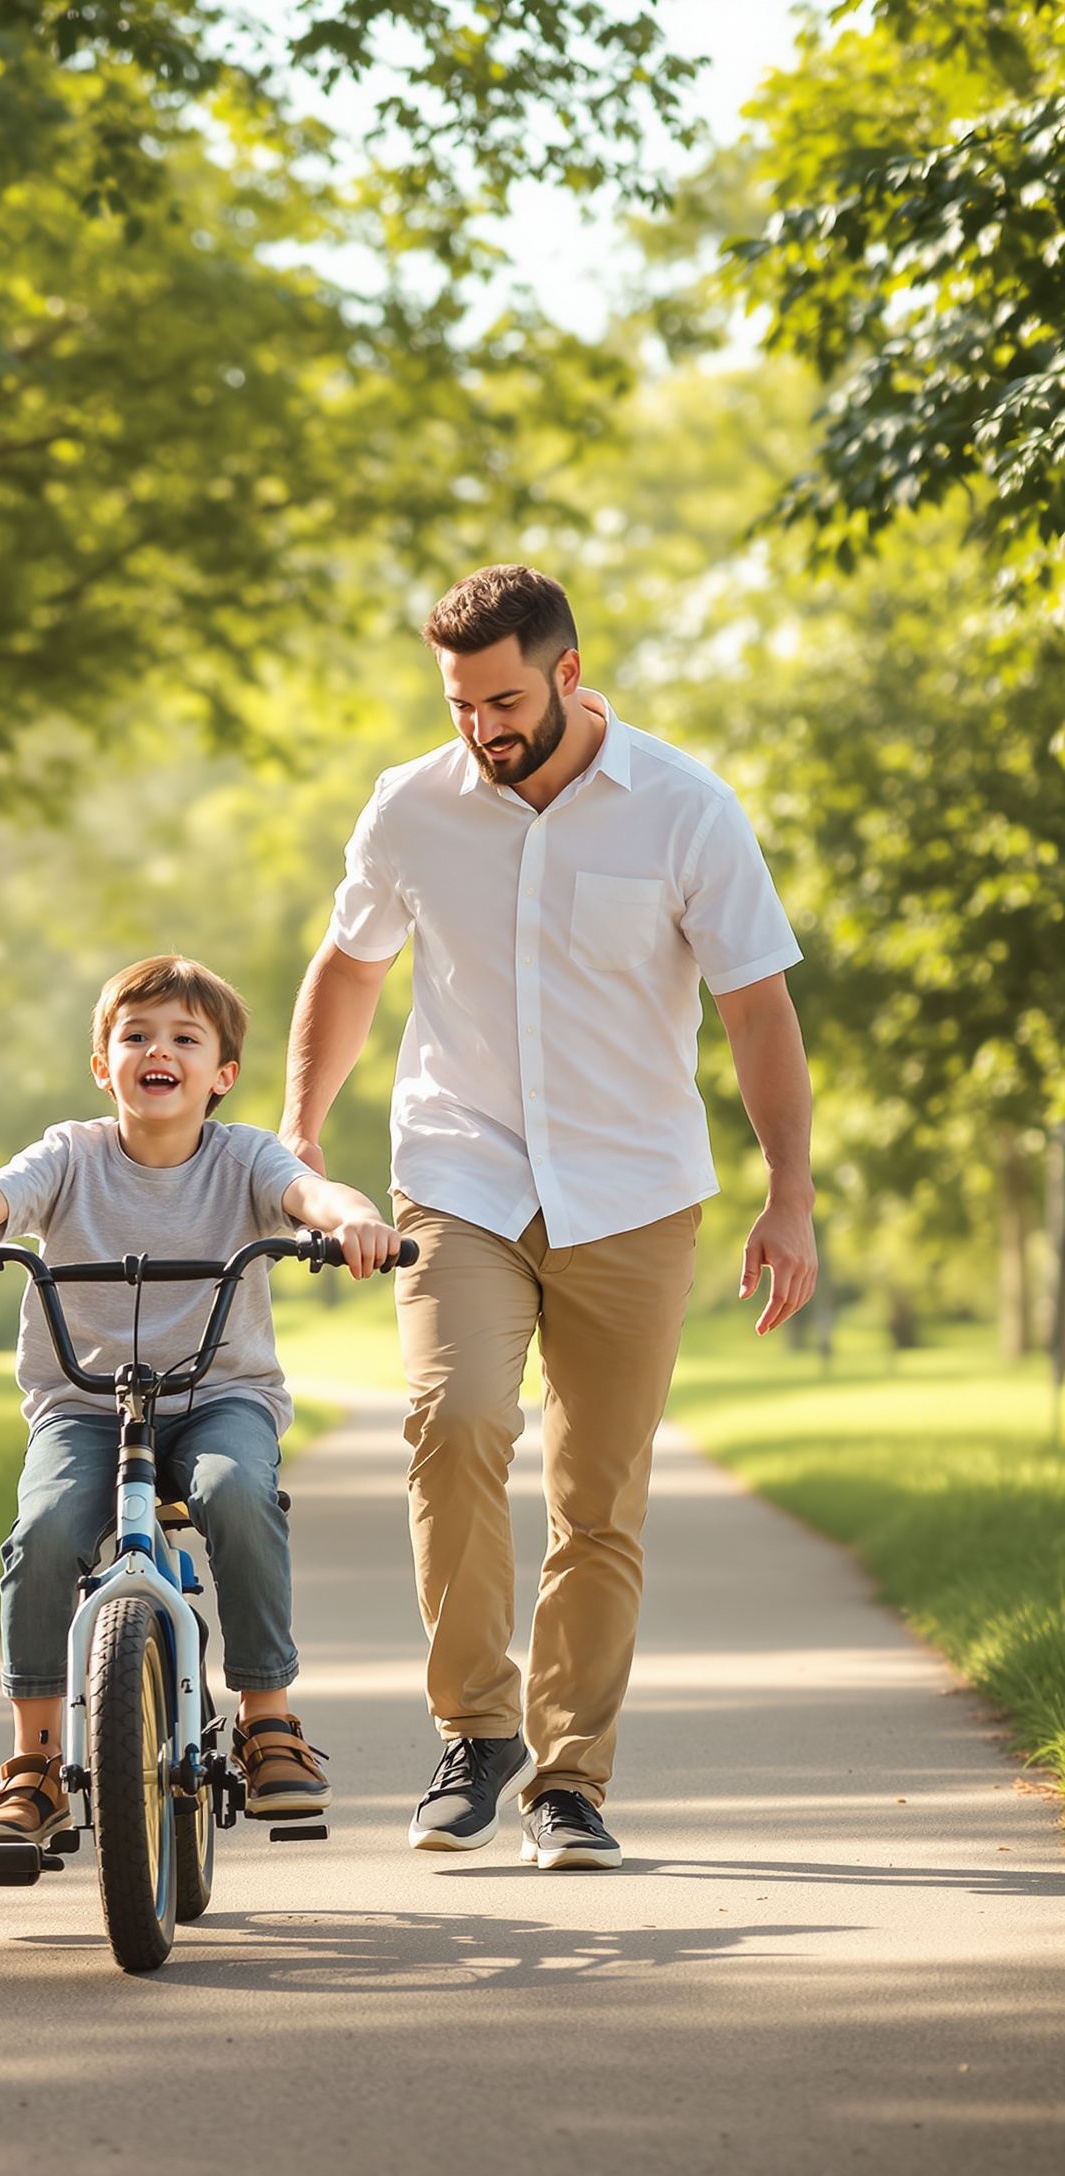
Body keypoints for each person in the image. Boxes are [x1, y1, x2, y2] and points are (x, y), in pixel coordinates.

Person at [279, 564, 816, 1871]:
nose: (481, 726)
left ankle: (571, 1778)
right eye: (460, 702)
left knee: (597, 1492)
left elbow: (756, 1010)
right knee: (453, 1421)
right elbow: (351, 967)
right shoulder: (411, 808)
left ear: (570, 674)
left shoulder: (686, 809)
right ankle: (477, 1730)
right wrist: (298, 1137)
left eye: (504, 698)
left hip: (633, 1190)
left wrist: (789, 1194)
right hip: (460, 1172)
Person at [0, 954, 402, 1851]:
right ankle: (34, 1766)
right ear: (103, 1064)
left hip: (216, 1396)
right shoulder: (71, 1156)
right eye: (137, 1036)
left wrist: (348, 1219)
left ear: (221, 1075)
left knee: (239, 1492)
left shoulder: (243, 1157)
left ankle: (269, 1719)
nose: (159, 1051)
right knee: (43, 1531)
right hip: (85, 1405)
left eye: (185, 1039)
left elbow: (311, 1191)